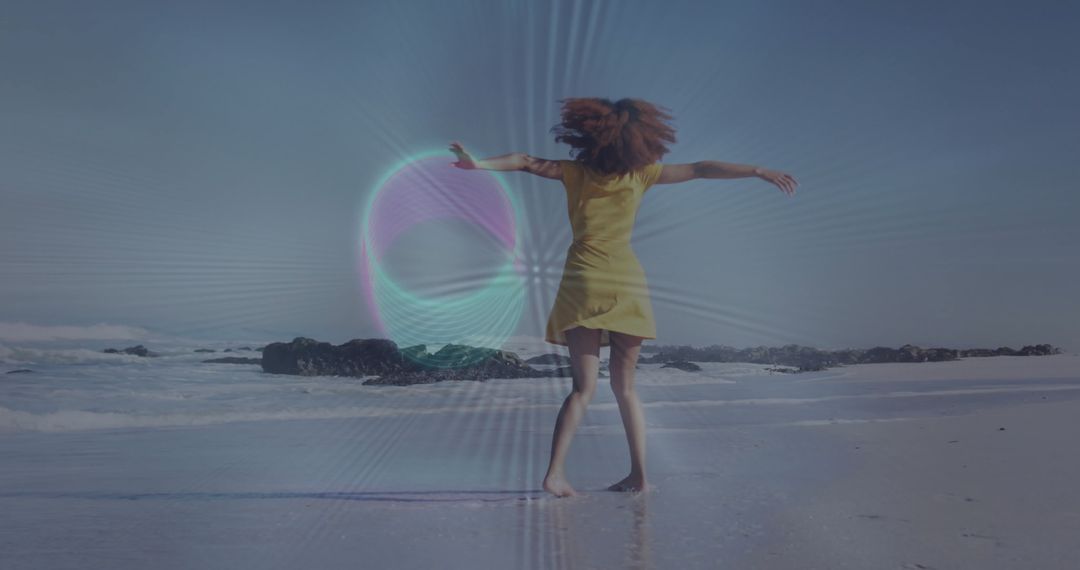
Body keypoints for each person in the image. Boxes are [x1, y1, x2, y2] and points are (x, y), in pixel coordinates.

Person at [449, 97, 797, 498]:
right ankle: (639, 475)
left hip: (582, 280)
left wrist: (478, 164)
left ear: (590, 135)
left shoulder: (575, 172)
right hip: (626, 282)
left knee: (582, 389)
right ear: (641, 140)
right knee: (626, 388)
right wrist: (757, 171)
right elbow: (701, 169)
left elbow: (526, 160)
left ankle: (556, 474)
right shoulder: (642, 175)